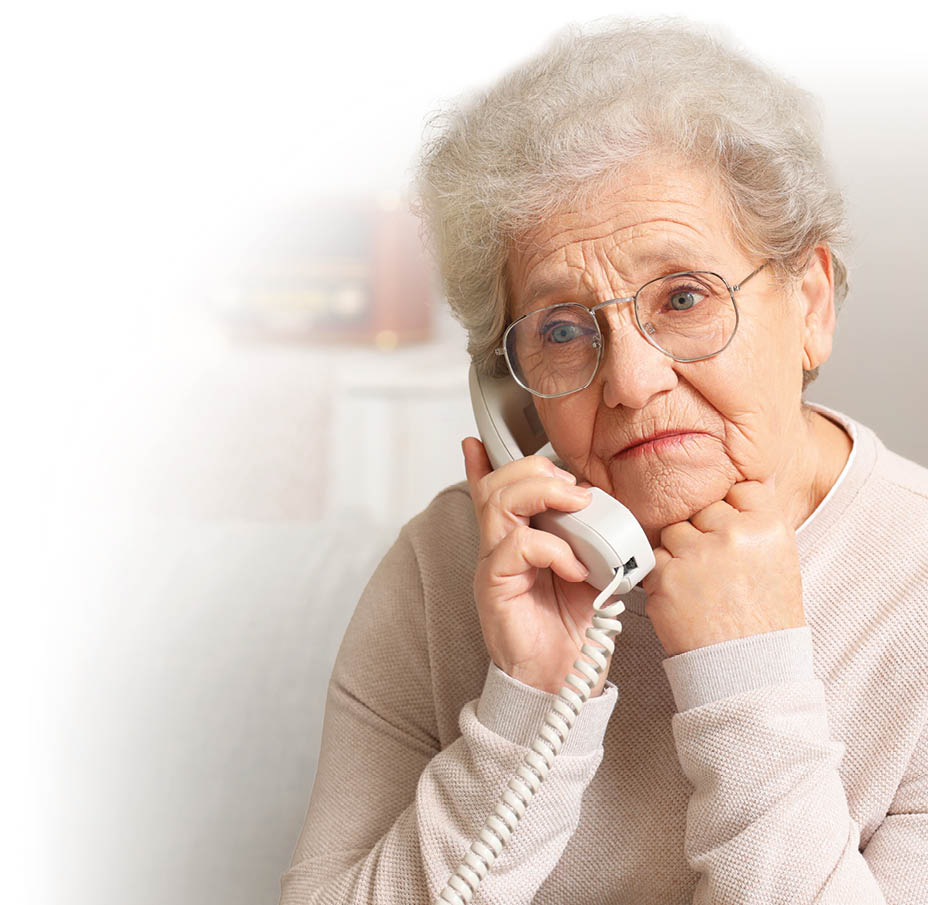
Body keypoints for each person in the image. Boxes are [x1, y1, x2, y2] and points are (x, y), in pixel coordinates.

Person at [280, 18, 928, 905]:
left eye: (684, 297)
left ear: (810, 304)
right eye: (561, 330)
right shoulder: (443, 570)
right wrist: (528, 703)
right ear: (510, 388)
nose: (630, 379)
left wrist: (749, 679)